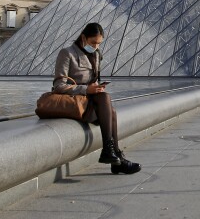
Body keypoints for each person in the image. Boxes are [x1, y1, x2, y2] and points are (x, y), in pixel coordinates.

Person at [52, 23, 140, 174]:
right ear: (83, 37)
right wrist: (87, 89)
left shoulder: (96, 54)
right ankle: (114, 154)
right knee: (110, 110)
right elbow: (59, 86)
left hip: (90, 101)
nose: (96, 46)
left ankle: (112, 153)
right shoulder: (67, 53)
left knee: (108, 105)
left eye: (99, 43)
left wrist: (96, 87)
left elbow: (93, 80)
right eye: (93, 42)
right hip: (74, 103)